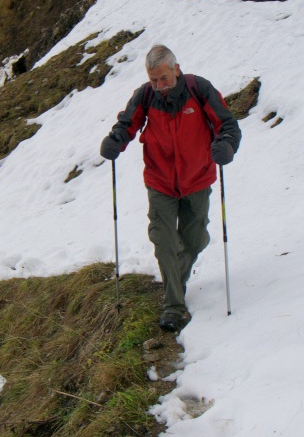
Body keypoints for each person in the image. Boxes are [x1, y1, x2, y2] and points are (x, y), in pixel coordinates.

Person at [100, 44, 241, 331]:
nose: (159, 86)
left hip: (197, 179)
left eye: (163, 78)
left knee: (196, 239)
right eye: (153, 80)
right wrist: (116, 140)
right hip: (160, 180)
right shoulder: (145, 96)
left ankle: (175, 279)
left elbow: (228, 125)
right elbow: (127, 123)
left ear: (176, 69)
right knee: (163, 240)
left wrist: (226, 145)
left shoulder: (200, 90)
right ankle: (174, 305)